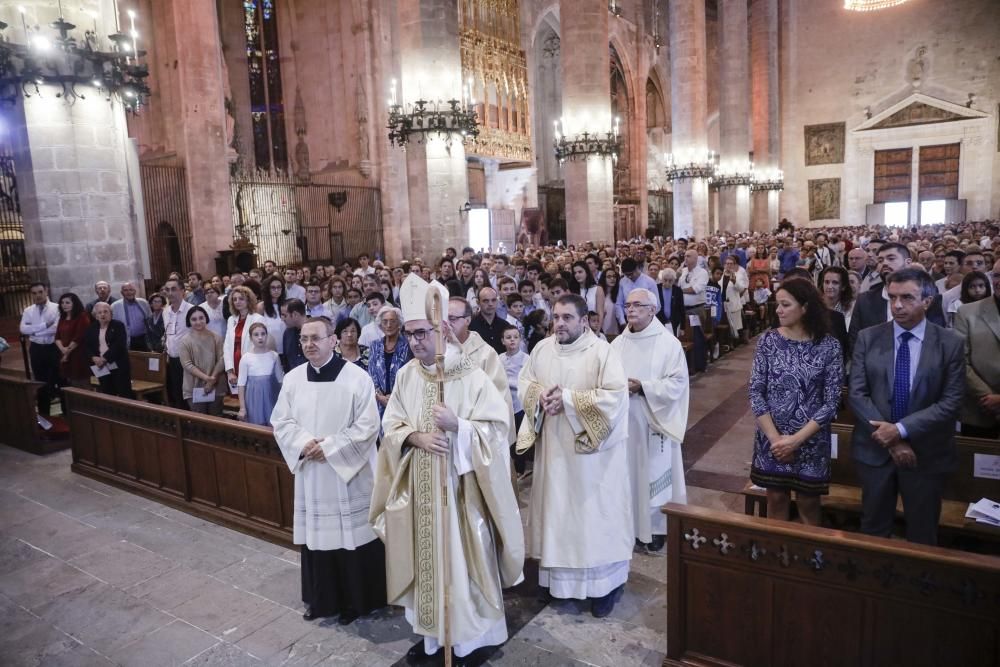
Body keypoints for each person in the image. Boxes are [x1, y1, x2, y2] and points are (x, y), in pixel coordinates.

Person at [371, 273, 524, 663]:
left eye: (421, 333)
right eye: (409, 335)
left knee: (462, 564)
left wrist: (460, 427)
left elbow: (498, 428)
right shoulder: (408, 375)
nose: (415, 342)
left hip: (462, 493)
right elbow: (391, 425)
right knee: (427, 567)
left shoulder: (470, 375)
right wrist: (415, 438)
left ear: (441, 329)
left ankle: (470, 639)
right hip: (419, 489)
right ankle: (433, 638)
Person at [516, 294, 631, 618]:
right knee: (557, 514)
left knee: (592, 519)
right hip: (554, 452)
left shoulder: (601, 353)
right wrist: (539, 397)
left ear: (584, 320)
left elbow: (615, 399)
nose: (559, 323)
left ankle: (603, 587)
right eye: (556, 317)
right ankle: (557, 584)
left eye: (567, 317)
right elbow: (525, 382)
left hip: (592, 461)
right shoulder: (542, 349)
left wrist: (567, 400)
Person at [271, 317, 386, 624]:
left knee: (352, 537)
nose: (309, 344)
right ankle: (322, 600)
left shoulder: (356, 378)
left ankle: (355, 601)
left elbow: (368, 425)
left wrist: (331, 447)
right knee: (318, 539)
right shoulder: (294, 379)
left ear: (332, 341)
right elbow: (281, 421)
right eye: (304, 339)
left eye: (316, 338)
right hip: (313, 471)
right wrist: (306, 443)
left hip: (349, 473)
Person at [849, 268, 965, 545]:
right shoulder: (869, 337)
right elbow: (857, 393)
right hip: (875, 451)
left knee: (922, 533)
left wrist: (900, 430)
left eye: (907, 298)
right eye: (892, 298)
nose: (897, 305)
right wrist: (891, 440)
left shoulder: (949, 343)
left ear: (928, 301)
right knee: (873, 530)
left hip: (925, 452)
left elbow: (951, 402)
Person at [749, 278, 843, 525]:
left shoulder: (829, 346)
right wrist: (776, 440)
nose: (778, 310)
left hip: (810, 441)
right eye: (777, 304)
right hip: (772, 438)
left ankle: (811, 559)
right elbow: (756, 392)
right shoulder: (768, 341)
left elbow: (831, 401)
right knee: (776, 500)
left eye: (785, 304)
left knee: (809, 504)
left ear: (805, 307)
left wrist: (796, 440)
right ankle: (775, 555)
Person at [611, 289, 689, 555]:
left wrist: (643, 387)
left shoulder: (668, 344)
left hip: (654, 420)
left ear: (652, 310)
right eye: (628, 305)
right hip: (624, 423)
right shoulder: (618, 344)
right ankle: (632, 527)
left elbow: (678, 383)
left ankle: (656, 529)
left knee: (654, 475)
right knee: (628, 475)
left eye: (637, 305)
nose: (630, 310)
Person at [849, 242, 945, 349]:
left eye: (891, 258)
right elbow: (855, 341)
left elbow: (936, 340)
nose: (884, 263)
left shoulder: (929, 298)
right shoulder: (865, 300)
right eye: (880, 260)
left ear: (908, 263)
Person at [953, 269, 1000, 438]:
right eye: (997, 275)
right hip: (980, 410)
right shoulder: (967, 312)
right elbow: (959, 360)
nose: (999, 281)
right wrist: (989, 397)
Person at [20, 283, 61, 416]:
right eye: (34, 293)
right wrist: (44, 326)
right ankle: (45, 416)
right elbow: (23, 329)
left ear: (46, 291)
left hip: (53, 348)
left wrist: (35, 332)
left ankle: (66, 414)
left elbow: (55, 329)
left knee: (59, 379)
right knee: (40, 382)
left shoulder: (57, 308)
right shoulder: (28, 311)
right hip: (37, 349)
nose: (37, 295)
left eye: (40, 292)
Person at [178, 306, 225, 415]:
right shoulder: (185, 341)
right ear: (189, 321)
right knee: (199, 421)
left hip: (216, 385)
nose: (198, 322)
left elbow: (222, 359)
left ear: (206, 318)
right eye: (194, 319)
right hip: (194, 386)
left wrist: (212, 380)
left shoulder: (216, 338)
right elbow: (187, 364)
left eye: (201, 318)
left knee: (216, 419)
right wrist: (207, 379)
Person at [367, 305, 412, 419]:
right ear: (380, 325)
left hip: (402, 401)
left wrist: (394, 397)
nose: (388, 325)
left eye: (392, 321)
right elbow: (371, 374)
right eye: (385, 321)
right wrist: (379, 396)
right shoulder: (374, 345)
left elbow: (410, 375)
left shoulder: (408, 345)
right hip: (379, 402)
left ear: (399, 324)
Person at [237, 322, 284, 426]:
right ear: (251, 338)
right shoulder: (246, 358)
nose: (260, 337)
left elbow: (280, 380)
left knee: (273, 425)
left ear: (267, 336)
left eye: (263, 334)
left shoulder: (274, 356)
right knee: (256, 425)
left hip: (271, 396)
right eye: (256, 335)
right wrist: (242, 408)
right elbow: (241, 384)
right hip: (253, 399)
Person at [84, 302, 133, 398]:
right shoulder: (91, 328)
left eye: (105, 312)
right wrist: (93, 358)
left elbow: (119, 345)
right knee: (107, 391)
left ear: (111, 313)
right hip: (100, 366)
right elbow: (87, 346)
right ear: (95, 315)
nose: (103, 314)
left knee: (124, 392)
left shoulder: (118, 325)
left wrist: (104, 359)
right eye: (99, 312)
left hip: (117, 363)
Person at [224, 285, 266, 393]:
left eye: (241, 298)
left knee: (251, 396)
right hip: (234, 363)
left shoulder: (258, 318)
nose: (237, 301)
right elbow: (227, 346)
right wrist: (229, 370)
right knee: (238, 397)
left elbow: (259, 345)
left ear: (248, 300)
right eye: (234, 299)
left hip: (251, 364)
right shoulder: (231, 319)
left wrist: (246, 367)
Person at [500, 324, 529, 475]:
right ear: (502, 341)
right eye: (508, 338)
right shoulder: (499, 359)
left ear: (520, 340)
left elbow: (525, 380)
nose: (512, 340)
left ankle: (520, 469)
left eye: (515, 337)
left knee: (519, 435)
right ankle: (508, 467)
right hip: (505, 404)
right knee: (507, 436)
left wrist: (508, 383)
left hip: (520, 405)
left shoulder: (526, 359)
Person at [162, 278, 193, 408]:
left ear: (182, 291)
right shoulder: (166, 311)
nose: (170, 293)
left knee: (190, 394)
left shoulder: (191, 310)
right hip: (173, 358)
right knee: (177, 393)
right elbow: (168, 334)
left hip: (189, 359)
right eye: (167, 290)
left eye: (174, 289)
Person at [55, 292, 92, 391]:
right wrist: (63, 350)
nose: (64, 305)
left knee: (82, 383)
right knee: (71, 384)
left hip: (78, 355)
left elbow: (79, 337)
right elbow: (57, 337)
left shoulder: (82, 316)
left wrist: (66, 353)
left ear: (74, 303)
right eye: (62, 303)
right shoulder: (62, 317)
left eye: (67, 302)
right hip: (66, 355)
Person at [112, 282, 151, 351]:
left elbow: (150, 319)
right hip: (127, 340)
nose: (129, 292)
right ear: (122, 292)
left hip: (144, 339)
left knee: (146, 360)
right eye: (125, 290)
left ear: (135, 291)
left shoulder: (143, 302)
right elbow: (113, 326)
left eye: (131, 290)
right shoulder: (115, 306)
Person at [469, 287, 508, 355]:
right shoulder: (470, 326)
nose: (490, 304)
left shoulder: (505, 326)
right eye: (486, 301)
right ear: (478, 302)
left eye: (493, 300)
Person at [721, 257, 748, 343]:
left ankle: (735, 341)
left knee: (735, 325)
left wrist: (734, 282)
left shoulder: (738, 275)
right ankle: (728, 342)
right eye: (727, 263)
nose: (728, 265)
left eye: (731, 263)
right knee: (725, 323)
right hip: (722, 302)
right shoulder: (721, 275)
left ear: (734, 265)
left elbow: (741, 289)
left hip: (733, 302)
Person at [572, 260, 605, 331]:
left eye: (580, 272)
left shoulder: (598, 289)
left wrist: (597, 331)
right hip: (577, 330)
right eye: (575, 273)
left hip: (594, 329)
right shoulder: (572, 291)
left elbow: (600, 313)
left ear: (587, 272)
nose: (577, 275)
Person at [259, 275, 287, 356]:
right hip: (268, 350)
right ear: (267, 289)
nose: (276, 290)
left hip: (286, 349)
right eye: (273, 287)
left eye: (279, 287)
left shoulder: (286, 305)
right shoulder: (261, 307)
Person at [281, 298, 308, 371]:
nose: (282, 319)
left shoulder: (316, 330)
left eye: (284, 315)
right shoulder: (287, 333)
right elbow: (286, 361)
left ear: (295, 314)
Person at [598, 268, 620, 337]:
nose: (612, 279)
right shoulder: (598, 294)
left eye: (614, 276)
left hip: (615, 332)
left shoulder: (618, 294)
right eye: (609, 277)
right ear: (604, 279)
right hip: (600, 330)